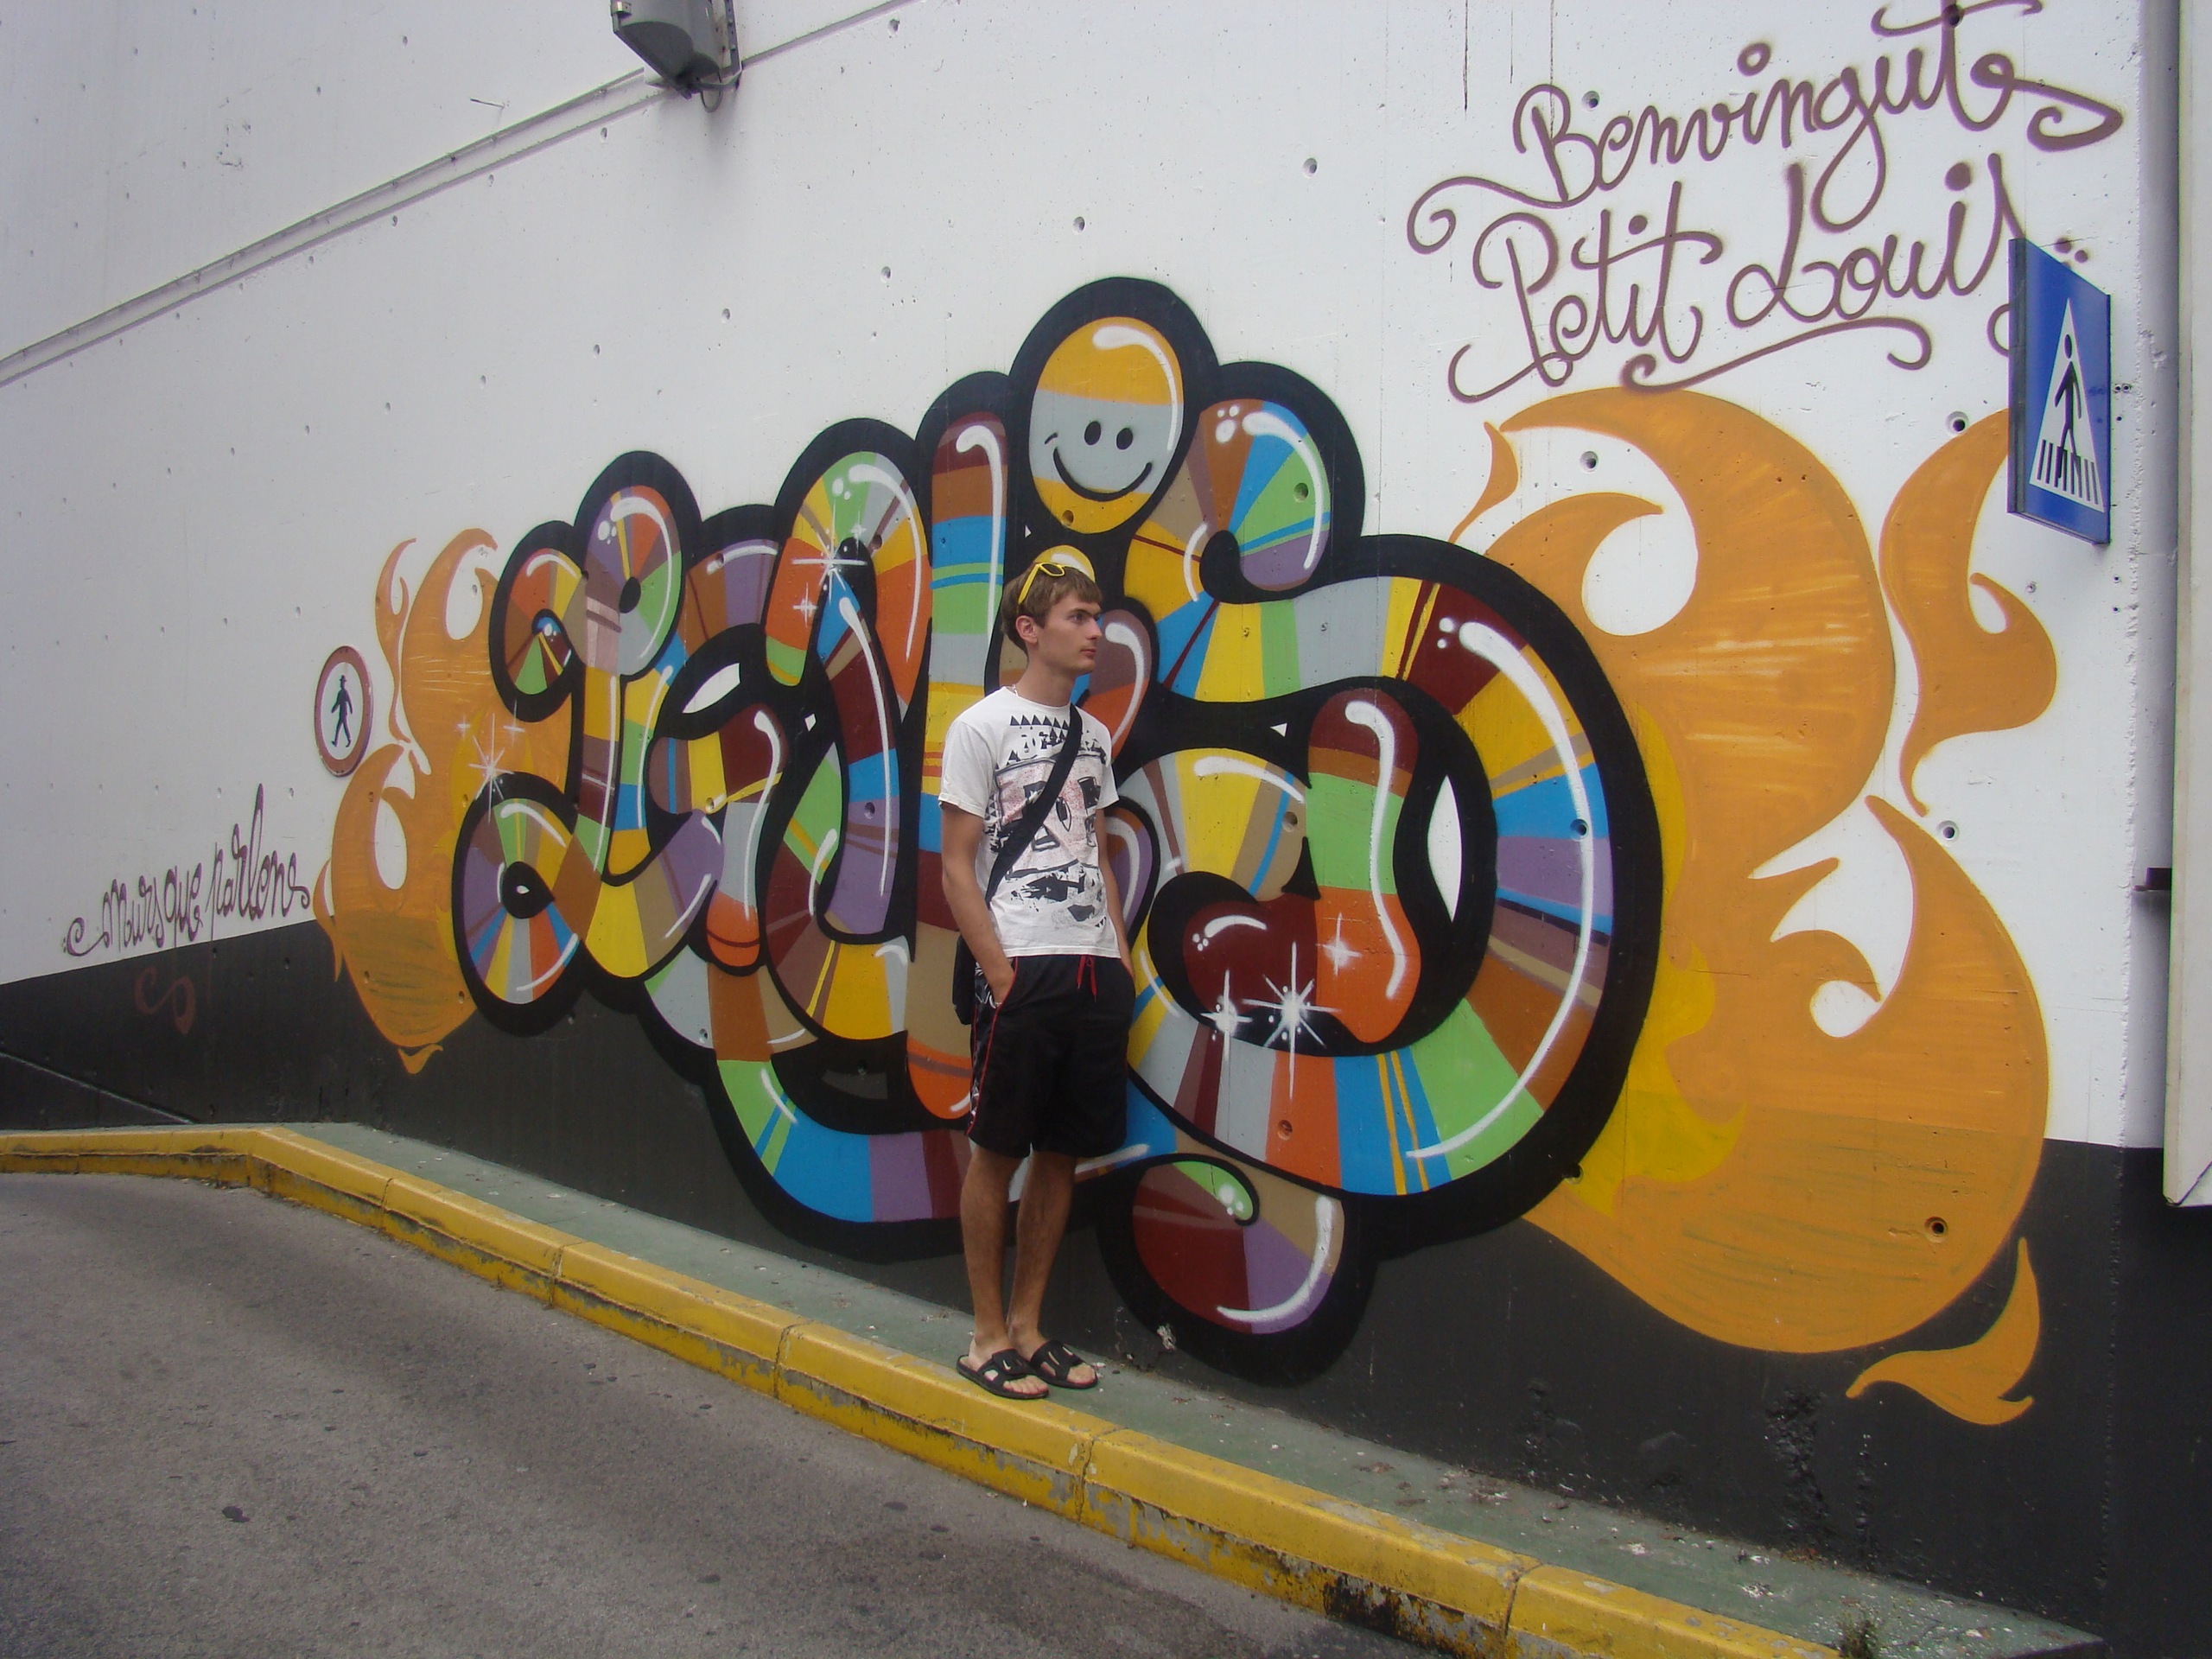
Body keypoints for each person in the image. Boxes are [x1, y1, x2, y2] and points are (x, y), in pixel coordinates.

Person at [937, 551, 1135, 1399]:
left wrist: (1120, 960)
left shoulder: (1094, 738)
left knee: (1060, 1155)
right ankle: (985, 1337)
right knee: (996, 1152)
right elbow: (955, 864)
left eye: (1097, 616)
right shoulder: (980, 727)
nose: (1095, 632)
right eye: (1077, 618)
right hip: (1021, 964)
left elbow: (1097, 852)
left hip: (1093, 970)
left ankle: (1028, 1327)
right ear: (1029, 629)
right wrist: (1000, 971)